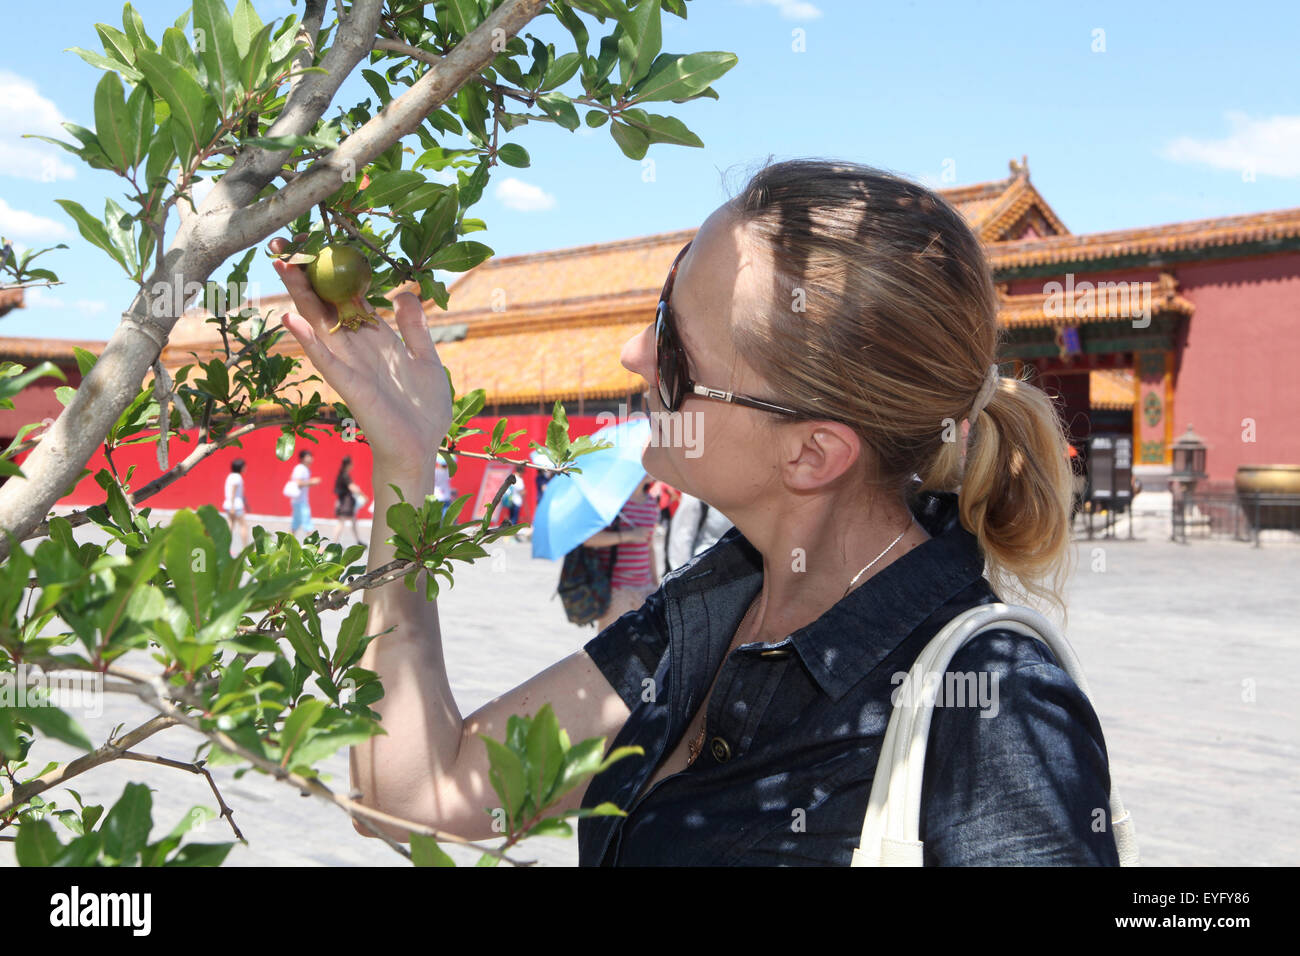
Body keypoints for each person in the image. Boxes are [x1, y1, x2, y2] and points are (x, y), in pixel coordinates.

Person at [267, 158, 1118, 866]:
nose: (636, 352)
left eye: (676, 345)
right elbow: (415, 797)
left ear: (811, 454)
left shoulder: (995, 709)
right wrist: (408, 462)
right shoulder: (707, 614)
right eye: (661, 307)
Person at [580, 476, 660, 632]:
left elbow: (649, 547)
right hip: (615, 589)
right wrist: (629, 535)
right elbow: (589, 539)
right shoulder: (613, 502)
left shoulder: (651, 503)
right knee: (610, 647)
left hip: (645, 588)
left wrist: (655, 584)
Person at [665, 491, 734, 572]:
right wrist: (685, 577)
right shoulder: (695, 497)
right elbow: (681, 541)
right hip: (702, 571)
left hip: (732, 569)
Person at [332, 455, 367, 547]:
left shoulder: (342, 474)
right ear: (348, 464)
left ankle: (358, 540)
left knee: (352, 521)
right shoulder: (344, 475)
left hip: (344, 502)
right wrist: (363, 495)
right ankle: (334, 543)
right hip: (345, 503)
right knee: (341, 522)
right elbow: (352, 488)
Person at [288, 449, 321, 538]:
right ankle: (314, 546)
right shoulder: (300, 468)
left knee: (295, 524)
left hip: (299, 501)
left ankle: (285, 544)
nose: (310, 459)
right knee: (308, 524)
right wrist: (312, 482)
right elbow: (298, 482)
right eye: (308, 456)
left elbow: (292, 477)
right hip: (300, 501)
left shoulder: (305, 469)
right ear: (302, 458)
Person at [223, 458, 249, 554]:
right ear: (240, 467)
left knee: (230, 525)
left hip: (228, 504)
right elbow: (234, 492)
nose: (245, 468)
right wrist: (233, 506)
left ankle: (226, 548)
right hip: (236, 506)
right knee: (243, 526)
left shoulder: (230, 476)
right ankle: (246, 548)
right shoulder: (237, 477)